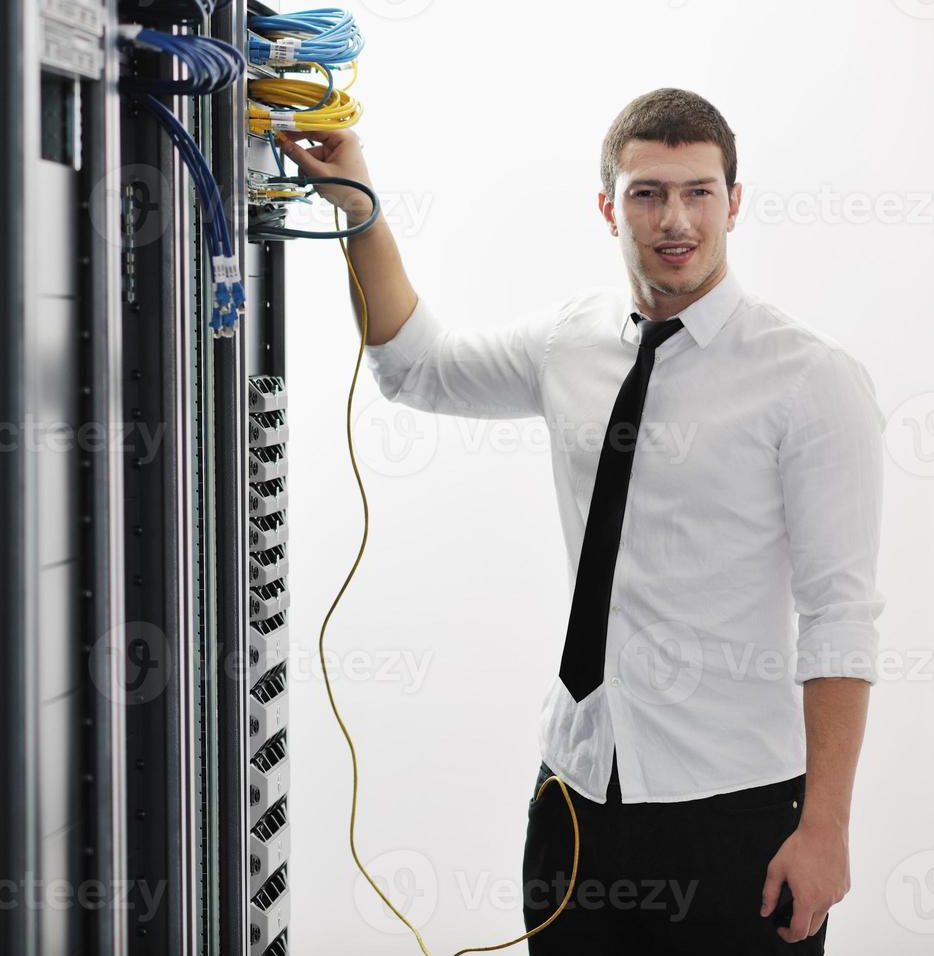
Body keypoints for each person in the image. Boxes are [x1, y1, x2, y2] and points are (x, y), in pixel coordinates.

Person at [278, 87, 885, 953]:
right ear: (609, 207)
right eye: (647, 193)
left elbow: (841, 615)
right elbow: (416, 368)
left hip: (738, 817)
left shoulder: (809, 378)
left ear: (734, 202)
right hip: (575, 795)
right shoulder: (572, 340)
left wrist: (825, 829)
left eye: (699, 192)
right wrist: (360, 204)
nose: (675, 219)